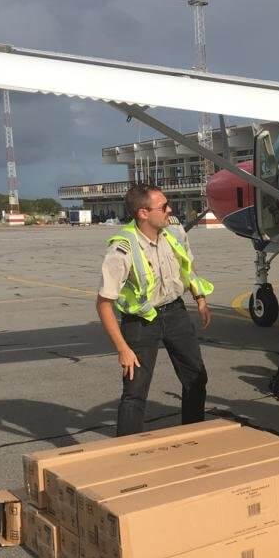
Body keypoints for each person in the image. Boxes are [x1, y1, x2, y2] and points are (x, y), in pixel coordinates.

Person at [96, 183, 214, 436]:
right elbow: (104, 304)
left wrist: (200, 297)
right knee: (135, 393)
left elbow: (187, 265)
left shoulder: (174, 231)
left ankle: (194, 436)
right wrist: (123, 349)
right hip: (141, 322)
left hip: (176, 314)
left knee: (196, 379)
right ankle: (128, 452)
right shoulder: (122, 249)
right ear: (143, 213)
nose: (170, 210)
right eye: (164, 206)